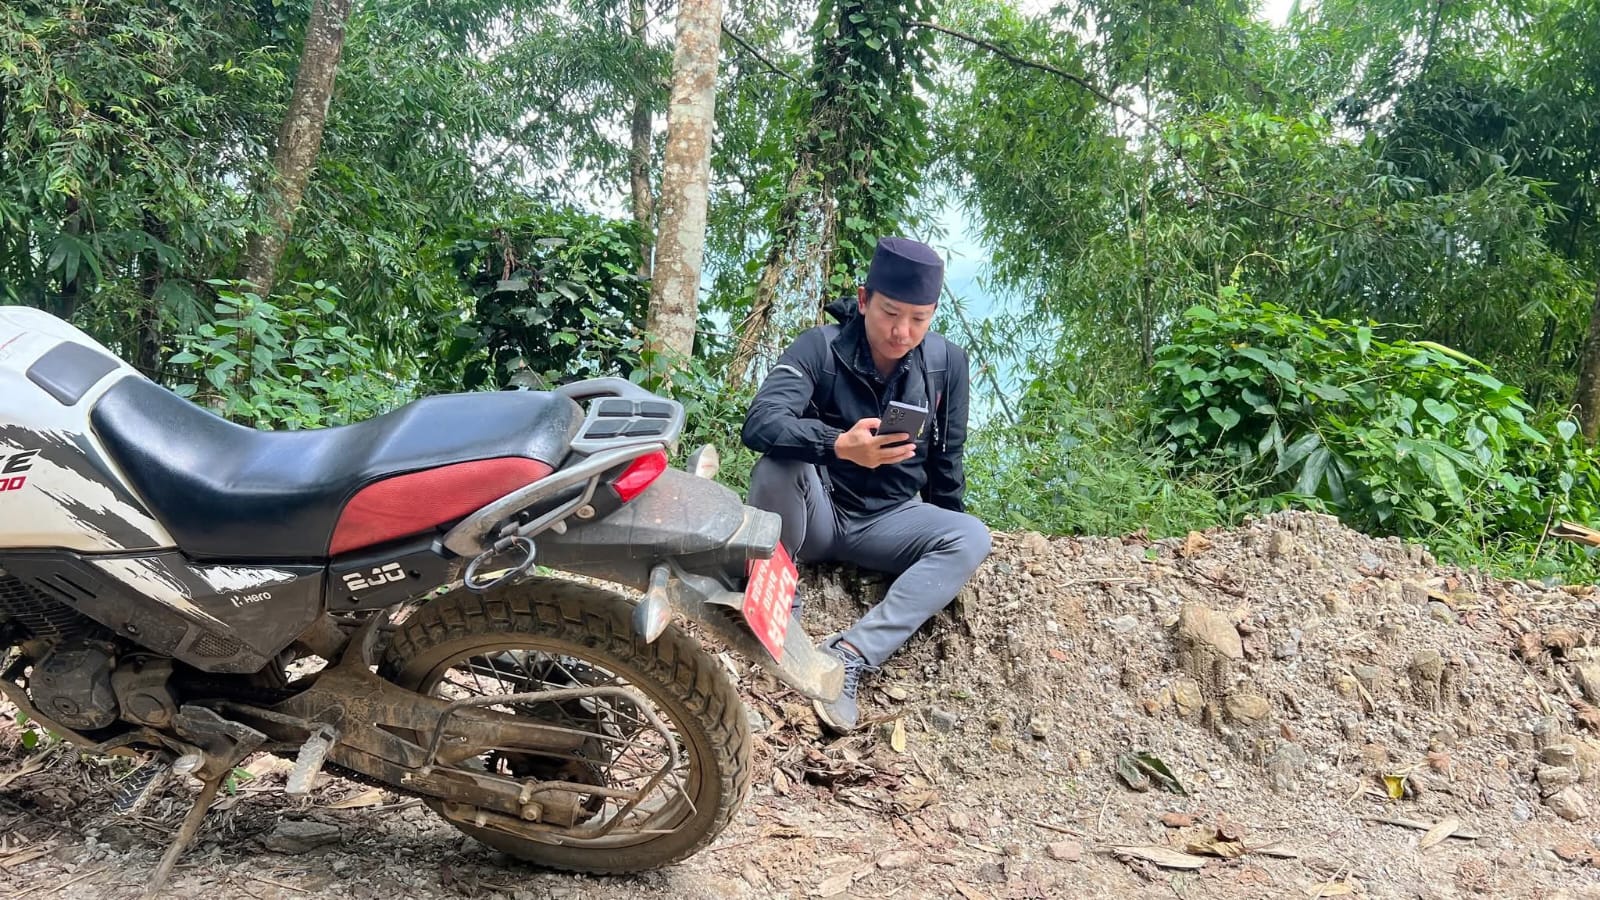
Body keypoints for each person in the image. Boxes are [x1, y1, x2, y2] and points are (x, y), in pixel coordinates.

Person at [740, 236, 993, 732]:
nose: (902, 332)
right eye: (890, 314)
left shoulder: (946, 364)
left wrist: (944, 547)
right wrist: (837, 444)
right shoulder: (819, 348)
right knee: (776, 465)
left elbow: (948, 462)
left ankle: (852, 654)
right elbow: (761, 423)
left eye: (919, 319)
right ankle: (779, 611)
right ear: (863, 300)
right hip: (817, 512)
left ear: (933, 315)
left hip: (890, 521)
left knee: (970, 536)